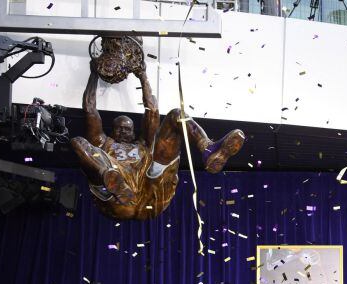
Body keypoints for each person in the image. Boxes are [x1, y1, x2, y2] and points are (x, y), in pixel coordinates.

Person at [72, 59, 244, 220]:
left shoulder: (143, 143)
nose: (124, 131)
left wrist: (142, 74)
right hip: (118, 201)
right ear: (112, 130)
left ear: (134, 131)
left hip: (151, 192)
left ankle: (208, 149)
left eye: (128, 128)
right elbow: (89, 109)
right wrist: (93, 73)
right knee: (78, 142)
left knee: (176, 115)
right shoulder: (104, 143)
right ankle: (110, 182)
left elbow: (152, 110)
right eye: (120, 128)